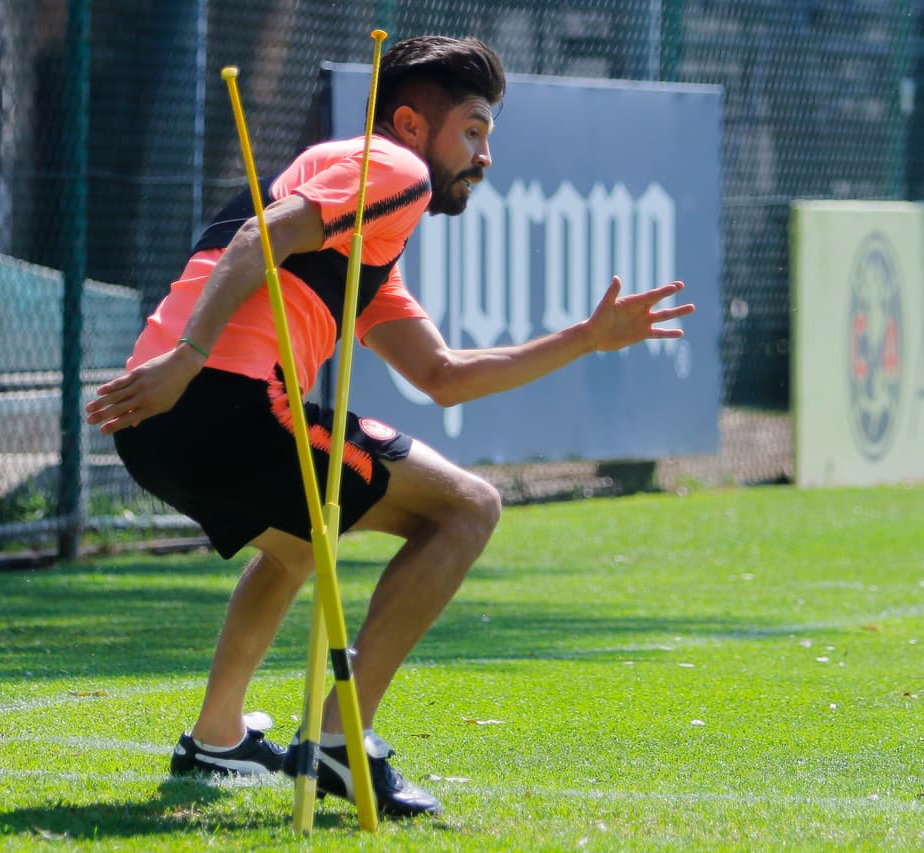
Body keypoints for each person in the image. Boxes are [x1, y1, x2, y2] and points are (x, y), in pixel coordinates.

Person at [85, 35, 694, 818]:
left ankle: (218, 736)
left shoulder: (361, 220)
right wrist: (188, 359)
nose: (485, 155)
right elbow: (256, 240)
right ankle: (342, 739)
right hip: (216, 402)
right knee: (469, 507)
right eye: (473, 131)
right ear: (412, 125)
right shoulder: (393, 170)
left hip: (158, 426)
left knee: (300, 542)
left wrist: (585, 337)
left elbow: (441, 374)